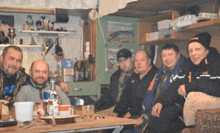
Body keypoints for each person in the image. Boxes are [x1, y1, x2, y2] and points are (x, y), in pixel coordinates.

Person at [144, 32, 220, 133]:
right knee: (161, 115)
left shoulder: (215, 64)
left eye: (198, 49)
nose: (194, 53)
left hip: (202, 113)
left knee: (167, 118)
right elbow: (174, 86)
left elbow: (217, 88)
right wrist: (160, 101)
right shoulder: (188, 66)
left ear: (206, 50)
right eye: (190, 51)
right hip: (183, 110)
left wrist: (189, 87)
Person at [0, 46, 68, 106]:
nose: (14, 64)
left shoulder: (21, 76)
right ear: (1, 58)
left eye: (18, 61)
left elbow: (40, 78)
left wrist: (60, 83)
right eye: (11, 59)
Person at [112, 50, 158, 119]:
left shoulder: (157, 76)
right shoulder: (134, 76)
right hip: (130, 111)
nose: (139, 63)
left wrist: (131, 112)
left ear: (149, 61)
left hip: (146, 114)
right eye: (136, 61)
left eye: (142, 60)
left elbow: (147, 100)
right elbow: (125, 97)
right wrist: (116, 111)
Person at [95, 49, 134, 113]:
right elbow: (110, 95)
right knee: (95, 115)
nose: (123, 63)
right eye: (120, 61)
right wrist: (95, 106)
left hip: (128, 109)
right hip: (114, 107)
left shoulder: (137, 75)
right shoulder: (115, 76)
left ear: (131, 59)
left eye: (126, 60)